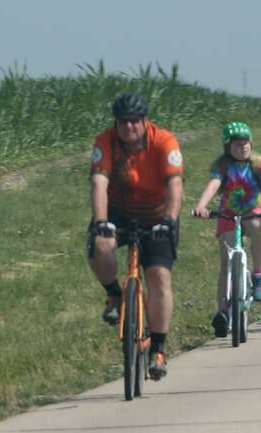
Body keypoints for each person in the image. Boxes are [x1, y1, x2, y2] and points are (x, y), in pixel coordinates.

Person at [86, 92, 184, 380]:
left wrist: (169, 220)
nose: (129, 127)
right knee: (100, 245)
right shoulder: (105, 141)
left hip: (157, 214)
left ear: (145, 121)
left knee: (158, 277)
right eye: (123, 122)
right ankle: (115, 296)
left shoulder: (164, 141)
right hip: (118, 211)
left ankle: (158, 348)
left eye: (134, 121)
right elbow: (98, 182)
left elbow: (175, 184)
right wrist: (102, 221)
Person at [192, 121, 261, 338]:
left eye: (245, 143)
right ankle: (223, 313)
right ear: (227, 147)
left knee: (259, 226)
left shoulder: (258, 163)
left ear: (251, 143)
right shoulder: (223, 166)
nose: (242, 148)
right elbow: (214, 185)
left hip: (253, 212)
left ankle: (258, 274)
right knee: (225, 265)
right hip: (228, 216)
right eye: (236, 145)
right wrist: (201, 206)